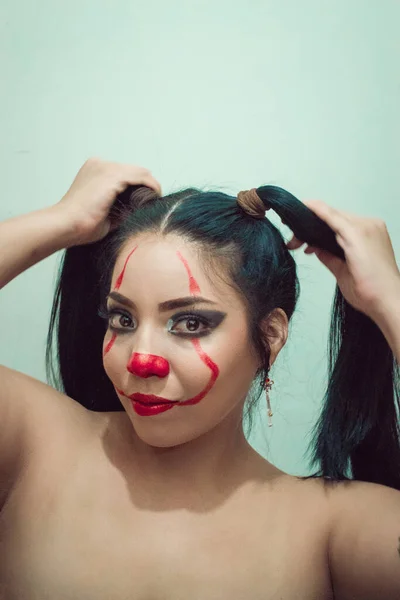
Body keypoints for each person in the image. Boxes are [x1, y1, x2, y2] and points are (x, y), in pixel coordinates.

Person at [0, 158, 399, 599]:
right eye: (123, 319)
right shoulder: (36, 443)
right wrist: (59, 221)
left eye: (189, 324)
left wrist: (390, 300)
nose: (141, 359)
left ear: (269, 336)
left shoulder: (331, 529)